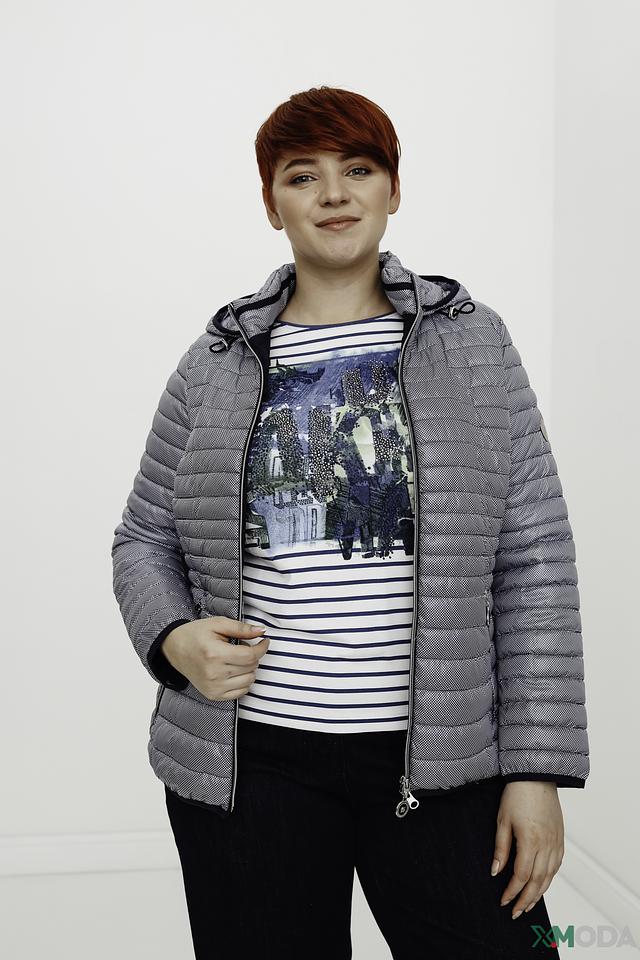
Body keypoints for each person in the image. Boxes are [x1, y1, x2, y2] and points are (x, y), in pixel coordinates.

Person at [111, 85, 589, 959]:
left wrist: (536, 769)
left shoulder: (474, 345)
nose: (333, 193)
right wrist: (174, 639)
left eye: (358, 169)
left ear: (393, 189)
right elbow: (143, 538)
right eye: (303, 176)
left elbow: (535, 560)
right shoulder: (214, 363)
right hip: (250, 766)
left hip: (446, 762)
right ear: (272, 204)